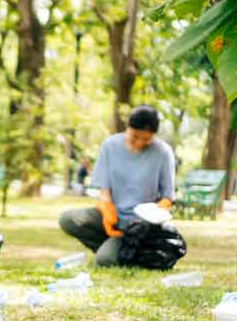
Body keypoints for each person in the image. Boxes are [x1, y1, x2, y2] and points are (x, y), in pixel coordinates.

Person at [59, 105, 175, 267]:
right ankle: (118, 248)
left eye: (147, 139)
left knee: (105, 260)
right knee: (68, 219)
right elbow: (104, 191)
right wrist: (106, 208)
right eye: (135, 137)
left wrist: (153, 214)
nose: (140, 143)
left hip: (141, 225)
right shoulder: (110, 146)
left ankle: (118, 250)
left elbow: (167, 198)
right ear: (128, 128)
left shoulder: (163, 152)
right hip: (115, 215)